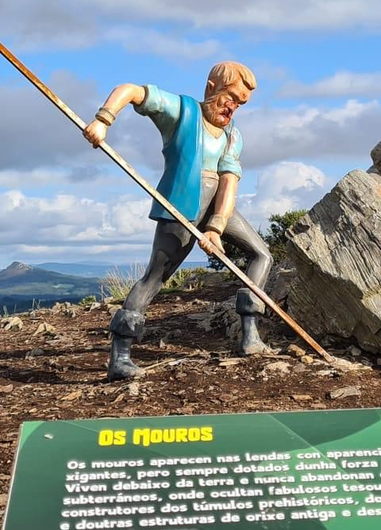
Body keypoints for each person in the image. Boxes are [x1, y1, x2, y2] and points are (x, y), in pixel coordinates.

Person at [82, 62, 273, 380]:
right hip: (182, 205)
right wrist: (103, 120)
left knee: (261, 254)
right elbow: (130, 90)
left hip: (217, 207)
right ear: (211, 87)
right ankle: (120, 356)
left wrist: (216, 228)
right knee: (155, 278)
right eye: (231, 98)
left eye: (240, 104)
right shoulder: (181, 111)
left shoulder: (232, 136)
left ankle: (250, 335)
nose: (233, 108)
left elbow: (229, 182)